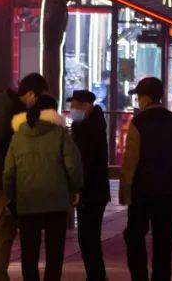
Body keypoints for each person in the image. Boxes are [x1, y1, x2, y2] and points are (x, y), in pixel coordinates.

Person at [121, 77, 172, 281]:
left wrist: (125, 192)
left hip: (142, 191)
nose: (138, 100)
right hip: (170, 191)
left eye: (138, 96)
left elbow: (130, 160)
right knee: (164, 242)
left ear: (145, 98)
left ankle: (139, 277)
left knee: (135, 237)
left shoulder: (138, 122)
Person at [3, 95, 83, 281]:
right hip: (56, 200)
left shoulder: (18, 136)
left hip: (27, 200)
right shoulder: (60, 134)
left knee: (29, 251)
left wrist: (11, 196)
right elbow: (73, 164)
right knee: (55, 250)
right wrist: (75, 188)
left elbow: (8, 172)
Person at [0, 72, 47, 281]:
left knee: (6, 231)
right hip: (4, 180)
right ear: (31, 94)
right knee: (3, 232)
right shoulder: (12, 112)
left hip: (3, 178)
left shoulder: (6, 105)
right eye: (37, 97)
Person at [69, 90, 110, 281]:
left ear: (86, 106)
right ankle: (96, 275)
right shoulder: (91, 124)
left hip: (91, 190)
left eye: (75, 106)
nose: (72, 110)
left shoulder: (89, 128)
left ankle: (96, 276)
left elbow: (84, 160)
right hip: (95, 190)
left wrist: (77, 186)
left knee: (88, 237)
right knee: (88, 237)